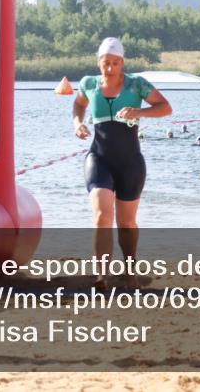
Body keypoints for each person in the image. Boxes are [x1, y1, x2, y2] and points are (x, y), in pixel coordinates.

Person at [73, 37, 173, 289]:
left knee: (126, 223)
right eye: (105, 63)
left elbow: (165, 107)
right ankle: (101, 276)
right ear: (98, 62)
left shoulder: (136, 84)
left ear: (122, 63)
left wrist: (138, 112)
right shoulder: (88, 84)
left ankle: (130, 272)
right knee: (101, 216)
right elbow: (79, 104)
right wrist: (78, 123)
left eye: (115, 63)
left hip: (130, 162)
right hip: (99, 158)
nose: (110, 68)